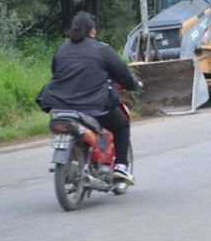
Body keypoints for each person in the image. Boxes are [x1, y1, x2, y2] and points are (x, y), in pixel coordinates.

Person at [37, 12, 140, 185]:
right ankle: (121, 167)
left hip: (60, 106)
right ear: (92, 30)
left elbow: (56, 72)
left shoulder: (61, 50)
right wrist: (134, 84)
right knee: (121, 125)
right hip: (93, 107)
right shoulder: (102, 50)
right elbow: (123, 74)